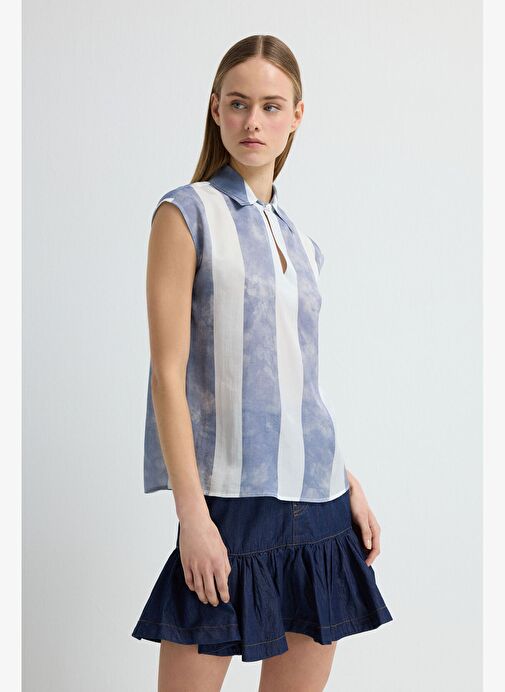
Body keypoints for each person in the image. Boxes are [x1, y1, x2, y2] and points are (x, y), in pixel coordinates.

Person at [132, 34, 393, 692]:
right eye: (239, 103)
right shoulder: (185, 213)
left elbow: (294, 384)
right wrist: (192, 515)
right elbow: (167, 375)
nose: (254, 121)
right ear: (216, 108)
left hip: (320, 505)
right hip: (228, 505)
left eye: (271, 106)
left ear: (296, 116)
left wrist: (346, 479)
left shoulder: (301, 241)